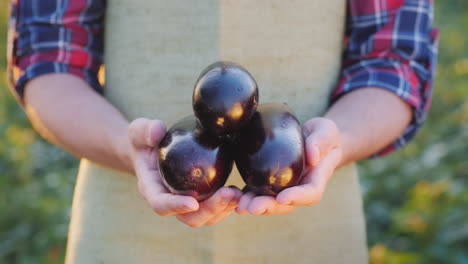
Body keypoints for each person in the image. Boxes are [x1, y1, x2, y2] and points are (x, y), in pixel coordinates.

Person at [8, 0, 438, 263]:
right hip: (122, 227)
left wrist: (335, 139)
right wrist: (125, 146)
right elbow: (49, 57)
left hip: (316, 235)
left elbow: (395, 61)